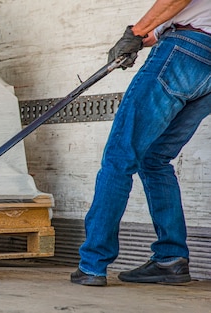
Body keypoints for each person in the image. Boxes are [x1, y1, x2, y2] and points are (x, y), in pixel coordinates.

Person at [71, 0, 211, 286]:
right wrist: (143, 37)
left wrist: (135, 31)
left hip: (184, 49)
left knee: (119, 157)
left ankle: (93, 264)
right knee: (155, 160)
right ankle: (170, 260)